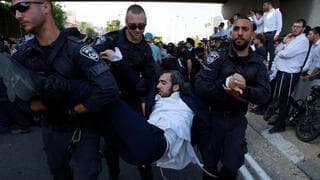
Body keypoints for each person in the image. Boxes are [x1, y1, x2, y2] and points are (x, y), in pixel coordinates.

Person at [10, 0, 119, 179]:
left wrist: (73, 109)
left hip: (84, 130)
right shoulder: (22, 56)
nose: (17, 15)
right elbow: (17, 102)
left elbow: (108, 89)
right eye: (14, 10)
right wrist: (43, 103)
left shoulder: (78, 49)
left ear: (45, 7)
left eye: (22, 7)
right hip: (51, 131)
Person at [194, 16, 270, 179]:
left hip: (237, 121)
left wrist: (244, 89)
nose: (240, 33)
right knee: (209, 164)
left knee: (232, 165)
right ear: (231, 33)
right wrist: (227, 83)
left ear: (252, 35)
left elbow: (264, 95)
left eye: (245, 29)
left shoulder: (259, 63)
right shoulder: (217, 56)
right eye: (236, 29)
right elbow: (200, 85)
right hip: (212, 118)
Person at [94, 4, 156, 180]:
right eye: (133, 26)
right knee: (110, 147)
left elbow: (145, 84)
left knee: (140, 141)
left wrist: (119, 62)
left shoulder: (146, 50)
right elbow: (86, 58)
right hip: (109, 100)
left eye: (141, 26)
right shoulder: (110, 40)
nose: (138, 30)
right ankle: (114, 175)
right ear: (126, 23)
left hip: (132, 101)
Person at [268, 19, 310, 133]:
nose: (295, 28)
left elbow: (286, 54)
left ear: (303, 29)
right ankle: (280, 119)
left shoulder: (303, 40)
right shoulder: (292, 39)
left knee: (284, 99)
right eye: (294, 26)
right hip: (283, 71)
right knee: (281, 98)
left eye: (298, 26)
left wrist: (281, 51)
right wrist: (284, 42)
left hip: (289, 73)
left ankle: (280, 124)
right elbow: (277, 49)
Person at [252, 1, 282, 70]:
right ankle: (264, 68)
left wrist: (277, 34)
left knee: (271, 52)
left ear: (269, 4)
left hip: (272, 34)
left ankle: (270, 69)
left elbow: (279, 24)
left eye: (264, 5)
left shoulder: (276, 12)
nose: (263, 7)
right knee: (264, 52)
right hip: (265, 34)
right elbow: (259, 23)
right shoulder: (265, 14)